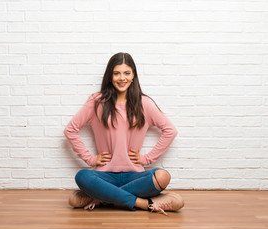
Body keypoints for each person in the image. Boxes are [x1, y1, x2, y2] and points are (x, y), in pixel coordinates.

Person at [64, 52, 184, 215]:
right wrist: (90, 159)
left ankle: (103, 198)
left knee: (163, 176)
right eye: (116, 73)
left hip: (135, 175)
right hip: (104, 175)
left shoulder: (144, 103)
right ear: (110, 76)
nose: (122, 78)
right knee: (82, 176)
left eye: (127, 73)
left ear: (133, 75)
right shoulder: (97, 101)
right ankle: (143, 203)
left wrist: (147, 158)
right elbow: (70, 130)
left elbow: (170, 131)